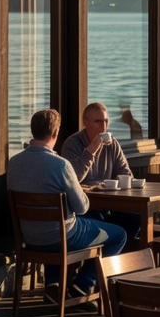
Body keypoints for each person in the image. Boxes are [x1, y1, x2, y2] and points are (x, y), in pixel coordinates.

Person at [7, 108, 128, 302]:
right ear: (55, 134)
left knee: (58, 226)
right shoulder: (61, 165)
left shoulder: (14, 162)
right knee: (119, 235)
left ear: (33, 131)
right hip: (62, 237)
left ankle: (53, 285)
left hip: (30, 237)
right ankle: (83, 284)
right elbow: (82, 207)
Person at [60, 102, 140, 240]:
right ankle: (97, 259)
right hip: (83, 209)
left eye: (106, 121)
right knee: (98, 221)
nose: (103, 126)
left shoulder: (112, 144)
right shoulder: (72, 144)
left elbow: (126, 174)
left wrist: (112, 184)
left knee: (135, 217)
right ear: (85, 123)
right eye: (98, 122)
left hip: (109, 205)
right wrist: (92, 149)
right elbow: (73, 179)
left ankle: (116, 258)